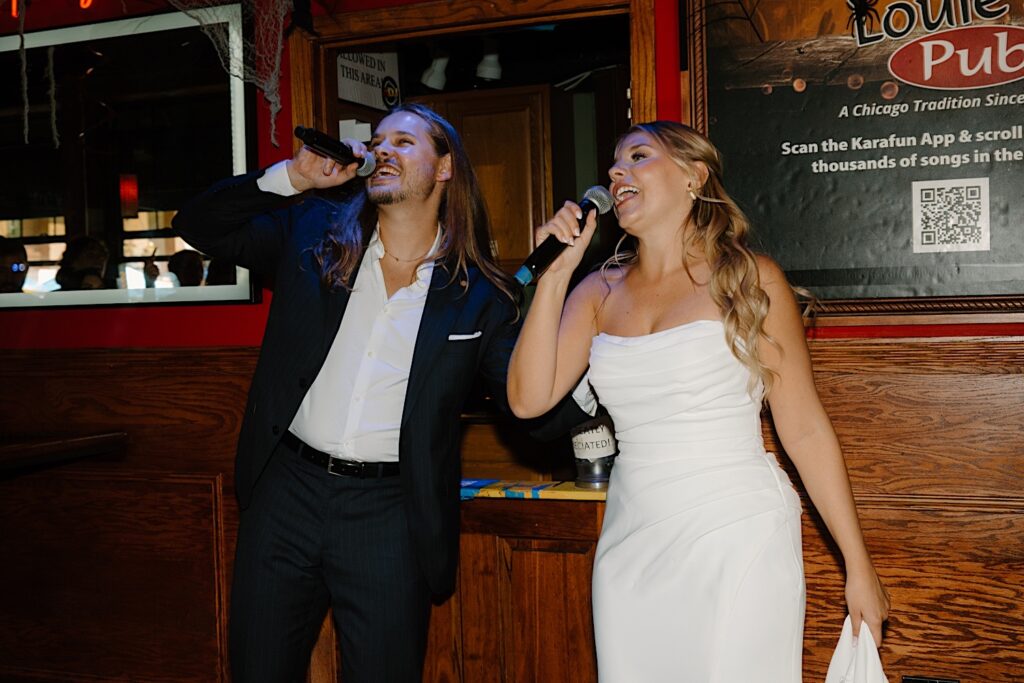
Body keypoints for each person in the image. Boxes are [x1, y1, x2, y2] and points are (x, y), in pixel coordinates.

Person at [172, 103, 584, 683]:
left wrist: (604, 369)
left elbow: (531, 408)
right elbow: (199, 224)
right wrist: (292, 177)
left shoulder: (479, 295)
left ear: (444, 169)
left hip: (389, 513)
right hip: (284, 493)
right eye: (378, 140)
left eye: (405, 141)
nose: (383, 148)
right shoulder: (313, 235)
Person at [507, 121, 889, 681]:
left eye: (638, 156)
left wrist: (858, 563)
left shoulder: (749, 279)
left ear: (694, 175)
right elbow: (527, 399)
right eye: (614, 163)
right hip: (632, 539)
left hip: (736, 531)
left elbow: (803, 428)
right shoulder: (598, 292)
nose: (617, 171)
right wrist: (557, 275)